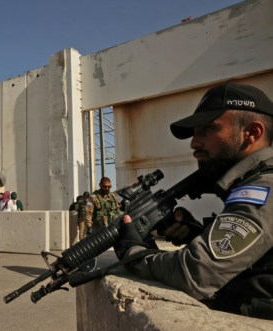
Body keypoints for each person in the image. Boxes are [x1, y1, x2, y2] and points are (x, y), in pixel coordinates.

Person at [115, 82, 273, 320]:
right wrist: (198, 233)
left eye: (208, 129)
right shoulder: (254, 179)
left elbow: (196, 273)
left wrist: (135, 252)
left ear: (252, 133)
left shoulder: (264, 186)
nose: (194, 143)